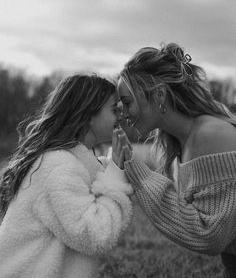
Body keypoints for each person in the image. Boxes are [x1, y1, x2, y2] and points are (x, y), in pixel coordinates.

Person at [113, 43, 236, 277]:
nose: (123, 113)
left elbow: (210, 235)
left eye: (127, 102)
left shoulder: (210, 135)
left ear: (159, 94)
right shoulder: (182, 140)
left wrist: (137, 172)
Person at [0, 74, 133, 278]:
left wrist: (115, 168)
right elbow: (97, 235)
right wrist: (115, 175)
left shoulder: (70, 163)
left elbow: (92, 179)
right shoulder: (59, 168)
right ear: (88, 115)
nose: (121, 116)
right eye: (114, 110)